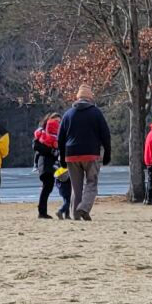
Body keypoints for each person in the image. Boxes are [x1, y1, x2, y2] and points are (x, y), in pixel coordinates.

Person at [57, 84, 111, 221]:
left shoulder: (68, 114)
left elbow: (60, 137)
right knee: (92, 183)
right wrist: (107, 153)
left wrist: (62, 157)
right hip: (91, 153)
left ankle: (75, 213)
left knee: (76, 187)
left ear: (77, 98)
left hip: (71, 154)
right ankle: (84, 208)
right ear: (90, 98)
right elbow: (105, 134)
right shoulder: (96, 113)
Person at [32, 114, 61, 220]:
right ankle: (42, 212)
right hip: (45, 163)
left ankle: (42, 211)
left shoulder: (57, 134)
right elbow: (36, 146)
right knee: (47, 186)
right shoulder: (42, 133)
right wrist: (51, 151)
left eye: (59, 121)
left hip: (52, 163)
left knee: (47, 187)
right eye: (56, 121)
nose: (57, 123)